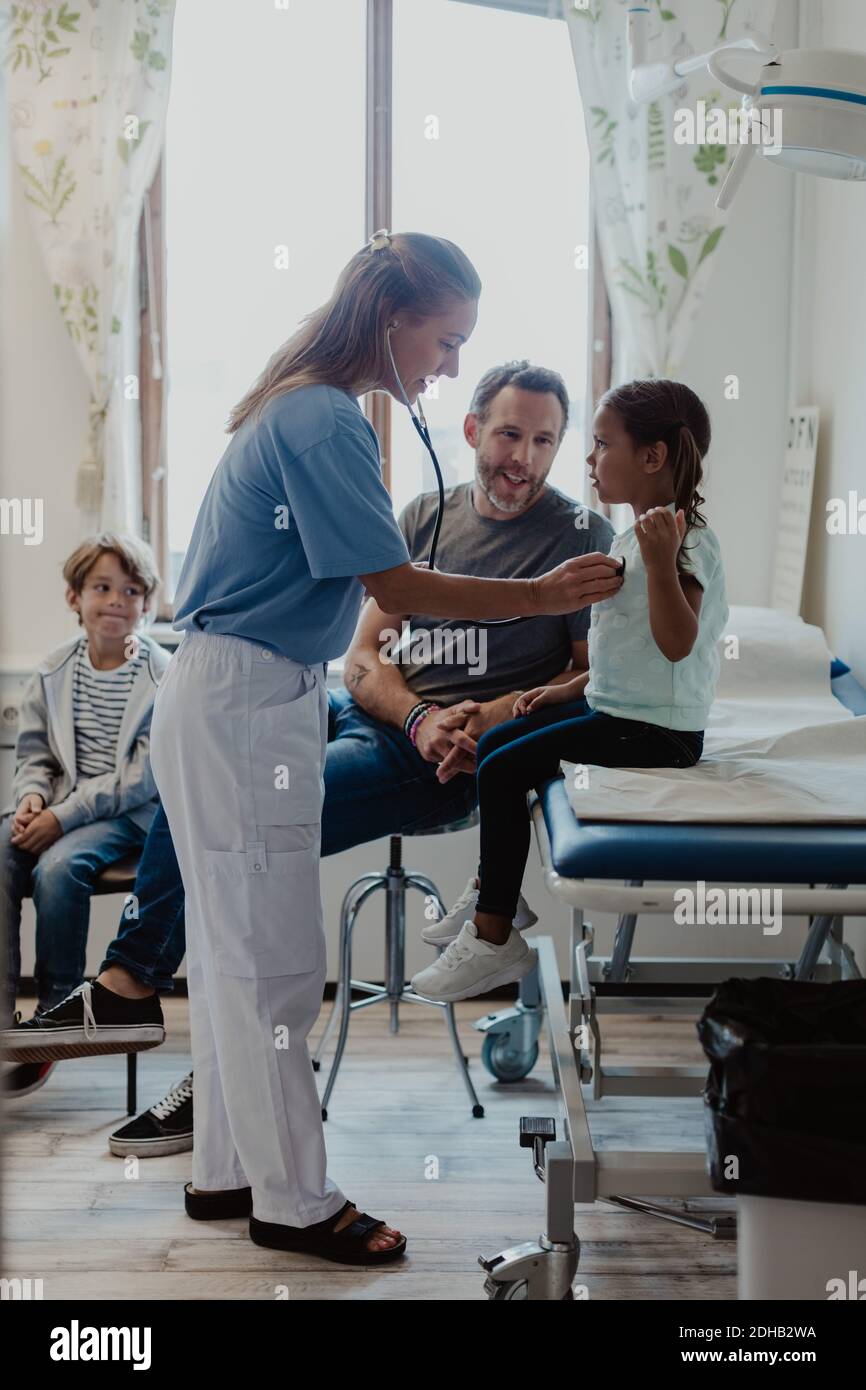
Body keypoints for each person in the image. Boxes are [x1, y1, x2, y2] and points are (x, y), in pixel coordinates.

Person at [142, 231, 623, 1266]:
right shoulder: (322, 419)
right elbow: (394, 590)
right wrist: (539, 595)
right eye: (445, 340)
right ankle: (297, 1202)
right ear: (392, 318)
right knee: (273, 964)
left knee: (237, 960)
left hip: (242, 691)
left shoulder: (311, 403)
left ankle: (228, 1171)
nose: (446, 363)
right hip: (244, 699)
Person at [2, 358, 616, 1167]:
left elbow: (589, 679)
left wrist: (483, 715)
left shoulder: (580, 538)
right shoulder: (422, 512)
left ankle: (188, 1051)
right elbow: (362, 657)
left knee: (243, 841)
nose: (523, 458)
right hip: (371, 712)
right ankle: (149, 1003)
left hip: (445, 764)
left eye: (544, 441)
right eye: (508, 433)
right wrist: (419, 708)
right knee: (202, 793)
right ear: (472, 431)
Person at [410, 378, 729, 1003]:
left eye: (602, 444)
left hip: (658, 732)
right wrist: (567, 690)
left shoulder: (682, 539)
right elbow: (630, 651)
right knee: (499, 744)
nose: (589, 459)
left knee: (503, 770)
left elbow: (675, 644)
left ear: (652, 458)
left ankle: (495, 933)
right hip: (620, 706)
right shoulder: (635, 534)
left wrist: (662, 566)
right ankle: (492, 891)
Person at [0, 535, 167, 1097]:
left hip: (130, 816)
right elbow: (35, 755)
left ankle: (57, 1015)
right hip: (63, 805)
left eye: (132, 590)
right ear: (75, 598)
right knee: (4, 847)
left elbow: (139, 780)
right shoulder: (52, 671)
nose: (117, 600)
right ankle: (5, 1023)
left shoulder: (161, 675)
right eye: (102, 587)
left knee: (57, 868)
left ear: (146, 603)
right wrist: (31, 798)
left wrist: (61, 819)